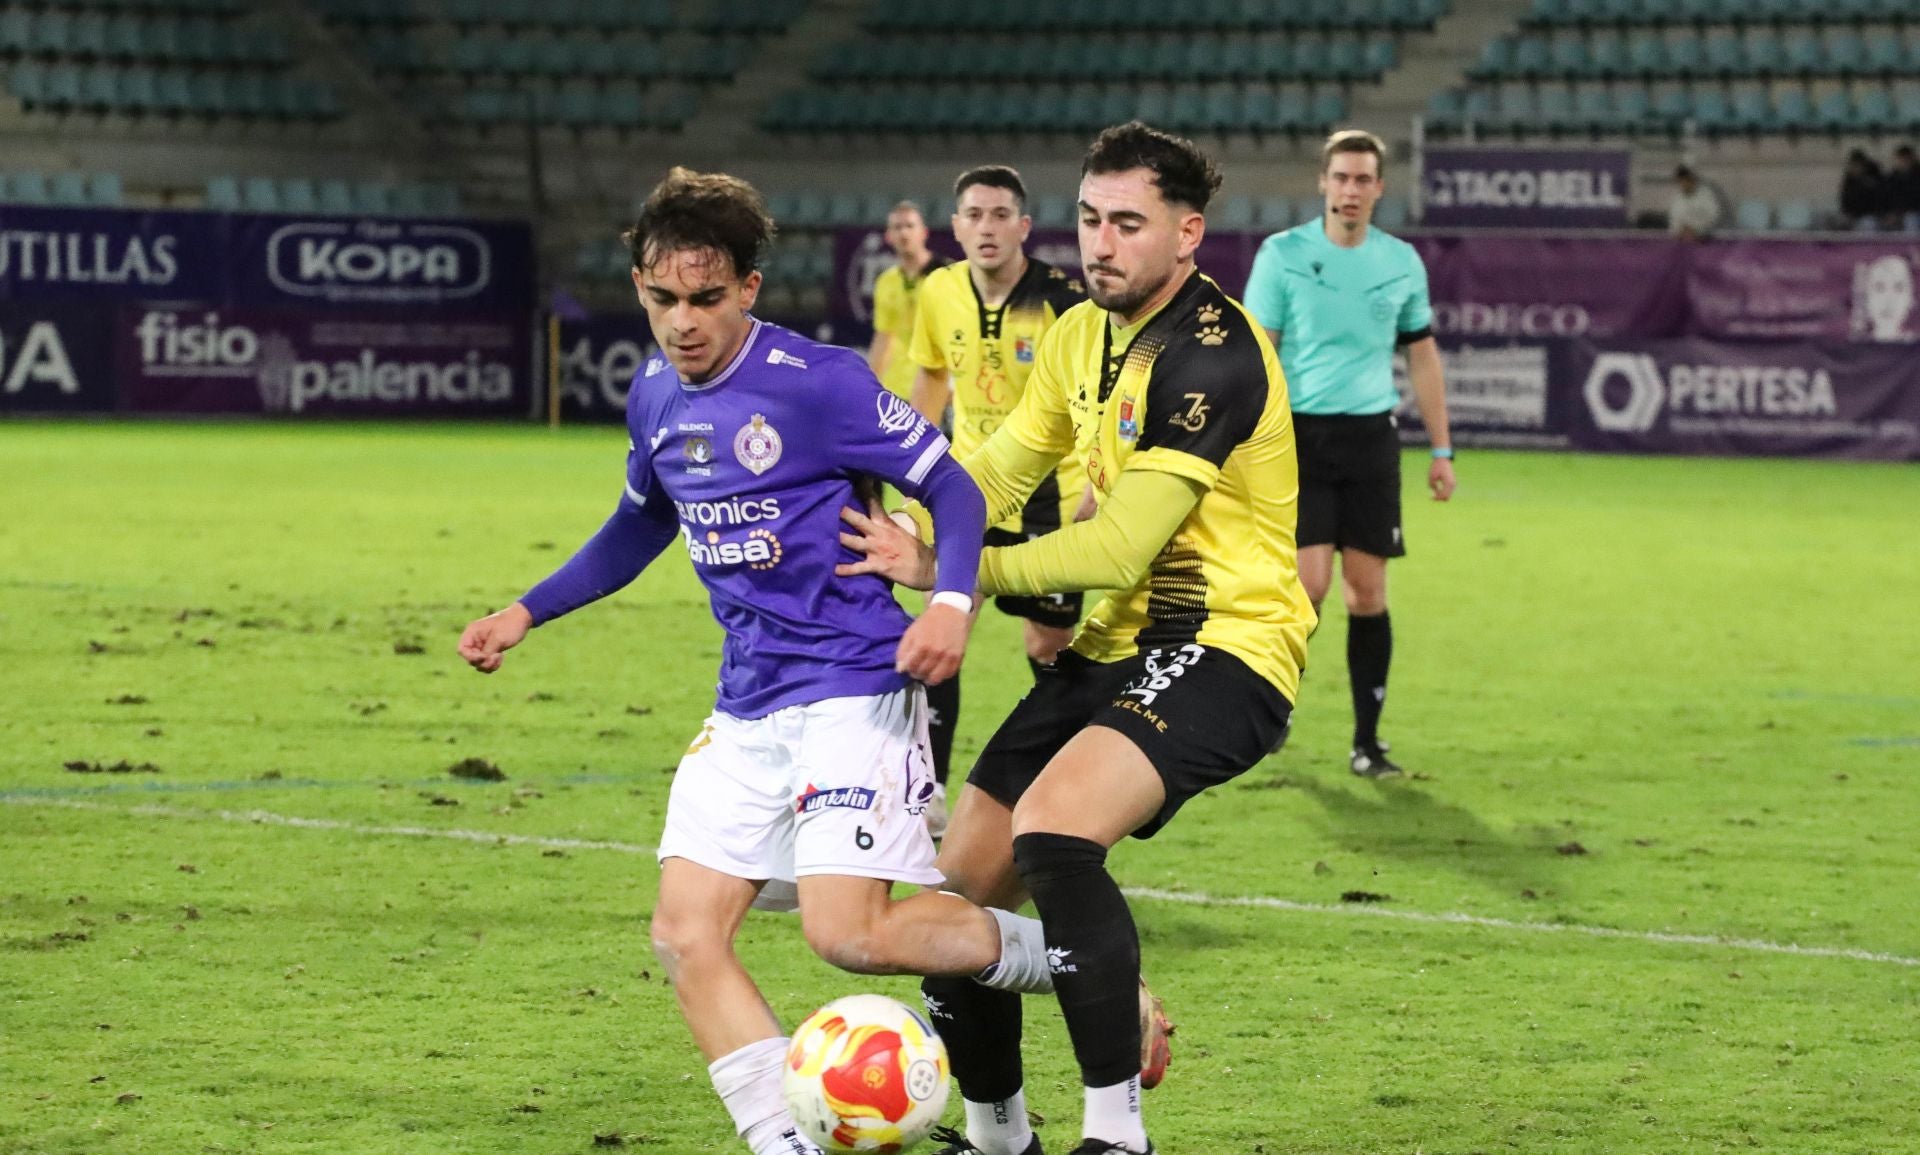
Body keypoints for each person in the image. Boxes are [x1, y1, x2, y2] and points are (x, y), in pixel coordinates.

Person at [456, 168, 1063, 1155]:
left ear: (747, 287)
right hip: (746, 707)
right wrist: (528, 610)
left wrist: (951, 602)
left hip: (855, 688)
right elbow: (639, 524)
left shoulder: (818, 383)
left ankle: (1081, 963)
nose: (682, 322)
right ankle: (788, 1144)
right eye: (662, 300)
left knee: (846, 936)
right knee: (684, 933)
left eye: (705, 298)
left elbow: (952, 491)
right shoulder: (654, 395)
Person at [840, 121, 1316, 1155]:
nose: (1101, 243)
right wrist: (911, 530)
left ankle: (1117, 1134)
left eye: (1129, 224)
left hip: (1233, 643)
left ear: (1187, 232)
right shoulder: (1075, 333)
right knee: (951, 895)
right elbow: (1001, 470)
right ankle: (996, 1132)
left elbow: (1116, 546)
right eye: (1092, 219)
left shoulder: (1214, 357)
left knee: (1053, 833)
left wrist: (954, 574)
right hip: (1116, 645)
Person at [1241, 129, 1454, 779]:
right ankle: (1273, 707)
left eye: (1364, 179)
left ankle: (1368, 741)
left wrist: (1441, 448)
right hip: (1298, 438)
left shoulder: (1401, 262)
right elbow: (1258, 354)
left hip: (1369, 440)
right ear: (1323, 183)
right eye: (1341, 177)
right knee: (1308, 586)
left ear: (1379, 188)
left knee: (1368, 591)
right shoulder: (1282, 256)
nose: (1351, 190)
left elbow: (1421, 355)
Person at [905, 165, 1089, 835]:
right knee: (942, 630)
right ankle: (926, 792)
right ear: (955, 227)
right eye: (974, 215)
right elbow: (930, 379)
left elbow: (1092, 398)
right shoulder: (938, 290)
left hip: (1051, 495)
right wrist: (908, 463)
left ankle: (1057, 792)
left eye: (999, 214)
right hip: (968, 491)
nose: (986, 227)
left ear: (1024, 227)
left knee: (1048, 647)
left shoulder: (1066, 300)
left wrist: (1097, 484)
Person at [867, 200, 947, 399]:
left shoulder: (945, 275)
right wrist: (868, 385)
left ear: (924, 232)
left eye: (910, 226)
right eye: (897, 227)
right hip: (897, 389)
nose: (904, 233)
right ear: (888, 236)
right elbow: (884, 337)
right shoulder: (886, 282)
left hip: (938, 386)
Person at [1666, 165, 1722, 241]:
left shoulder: (1706, 195)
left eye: (1686, 180)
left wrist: (1696, 230)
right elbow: (1674, 223)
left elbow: (1714, 217)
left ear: (1692, 180)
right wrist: (1681, 231)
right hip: (1683, 241)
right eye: (1681, 181)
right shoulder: (1677, 200)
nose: (1684, 184)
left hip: (1705, 240)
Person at [1841, 149, 1887, 232]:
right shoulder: (1849, 180)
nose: (1854, 168)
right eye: (1852, 165)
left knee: (1868, 223)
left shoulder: (1874, 180)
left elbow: (1879, 200)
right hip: (1853, 216)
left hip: (1871, 216)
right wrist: (1848, 213)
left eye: (1857, 165)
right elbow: (1845, 200)